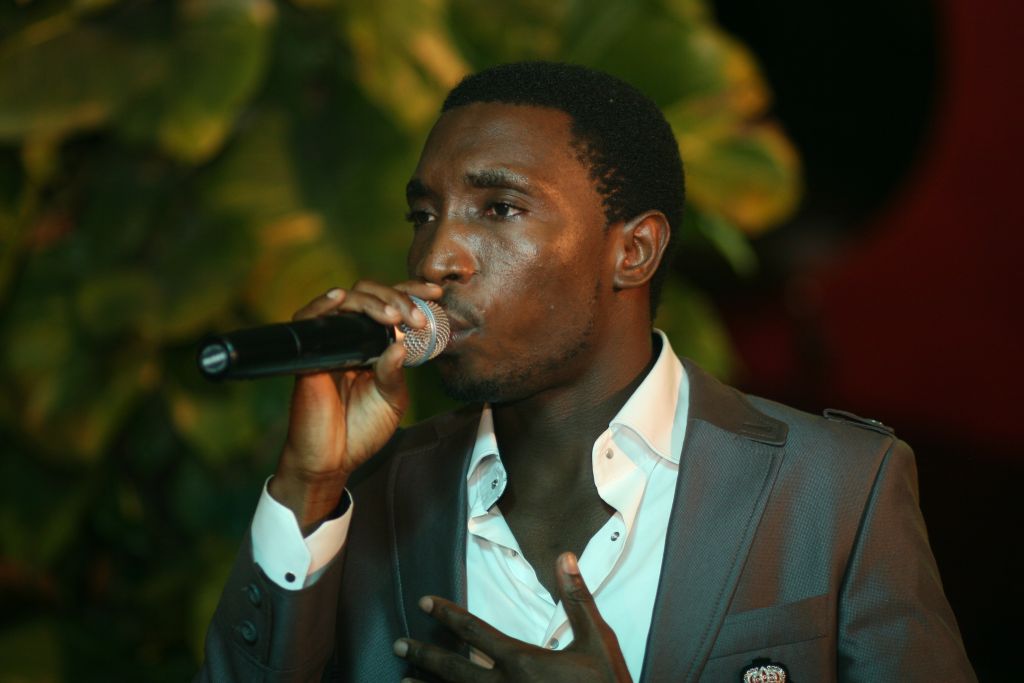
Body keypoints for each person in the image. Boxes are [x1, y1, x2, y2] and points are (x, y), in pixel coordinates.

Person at [196, 62, 975, 682]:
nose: (435, 258)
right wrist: (308, 487)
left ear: (632, 251)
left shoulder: (836, 490)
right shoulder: (365, 495)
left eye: (499, 208)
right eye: (424, 214)